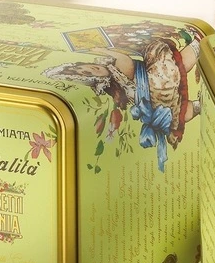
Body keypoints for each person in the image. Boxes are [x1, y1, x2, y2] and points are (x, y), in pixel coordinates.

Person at [44, 24, 202, 171]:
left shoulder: (112, 77)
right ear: (94, 80)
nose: (90, 68)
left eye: (82, 67)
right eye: (87, 73)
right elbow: (127, 62)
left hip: (154, 96)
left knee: (173, 101)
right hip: (155, 87)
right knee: (166, 66)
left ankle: (198, 104)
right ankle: (198, 47)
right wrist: (104, 50)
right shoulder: (116, 74)